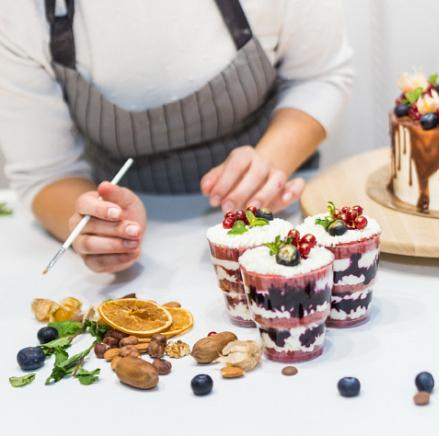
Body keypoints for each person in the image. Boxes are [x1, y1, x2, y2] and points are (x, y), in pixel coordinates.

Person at [0, 0, 353, 273]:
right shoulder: (21, 13)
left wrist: (269, 164)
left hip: (279, 227)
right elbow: (46, 173)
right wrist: (99, 228)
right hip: (138, 263)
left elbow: (320, 75)